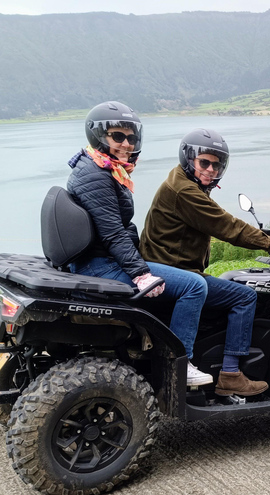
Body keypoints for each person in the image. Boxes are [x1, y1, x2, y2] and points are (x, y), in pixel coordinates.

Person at [139, 128, 270, 398]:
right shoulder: (184, 191)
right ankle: (231, 375)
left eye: (217, 164)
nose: (211, 169)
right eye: (205, 162)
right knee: (244, 297)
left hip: (166, 266)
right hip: (174, 272)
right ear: (189, 159)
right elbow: (227, 226)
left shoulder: (181, 182)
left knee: (224, 286)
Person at [66, 101, 212, 386]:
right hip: (100, 265)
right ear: (98, 136)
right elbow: (113, 234)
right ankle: (179, 365)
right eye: (117, 136)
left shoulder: (99, 168)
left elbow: (119, 228)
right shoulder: (97, 176)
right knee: (195, 286)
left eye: (131, 137)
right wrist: (140, 273)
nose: (126, 143)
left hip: (97, 258)